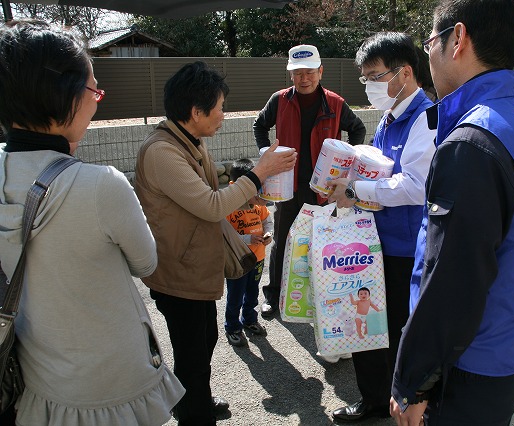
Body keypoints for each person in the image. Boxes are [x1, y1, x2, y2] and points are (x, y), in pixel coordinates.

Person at [0, 20, 185, 425]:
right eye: (93, 89)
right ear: (62, 92)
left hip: (39, 378)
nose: (98, 101)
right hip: (110, 381)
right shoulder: (100, 186)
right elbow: (146, 263)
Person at [390, 1, 514, 424]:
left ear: (458, 39)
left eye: (431, 41)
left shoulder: (472, 144)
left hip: (461, 373)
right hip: (505, 355)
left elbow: (451, 282)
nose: (428, 54)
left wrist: (412, 383)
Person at [134, 61, 296, 426]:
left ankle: (196, 399)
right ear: (196, 112)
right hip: (178, 274)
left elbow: (210, 196)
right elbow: (210, 205)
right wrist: (259, 174)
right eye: (220, 107)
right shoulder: (163, 151)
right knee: (193, 351)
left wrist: (257, 187)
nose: (224, 114)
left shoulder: (188, 140)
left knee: (202, 343)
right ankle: (194, 413)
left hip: (194, 269)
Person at [328, 32, 437, 422]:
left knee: (400, 331)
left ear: (404, 73)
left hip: (405, 249)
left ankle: (405, 402)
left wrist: (356, 190)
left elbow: (414, 185)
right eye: (365, 79)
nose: (370, 86)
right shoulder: (389, 118)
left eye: (375, 76)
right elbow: (376, 169)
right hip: (375, 243)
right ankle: (374, 399)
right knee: (368, 326)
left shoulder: (425, 118)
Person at [253, 44, 366, 319]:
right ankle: (273, 296)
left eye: (310, 73)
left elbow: (358, 129)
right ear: (290, 74)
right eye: (298, 73)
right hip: (287, 186)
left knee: (324, 243)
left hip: (323, 189)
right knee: (282, 241)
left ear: (320, 72)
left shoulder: (335, 103)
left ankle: (322, 296)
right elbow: (259, 124)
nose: (304, 79)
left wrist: (345, 167)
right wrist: (267, 155)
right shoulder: (279, 100)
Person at [224, 158, 273, 347]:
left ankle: (250, 320)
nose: (254, 192)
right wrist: (247, 239)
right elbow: (226, 236)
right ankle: (233, 327)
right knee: (235, 296)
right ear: (233, 185)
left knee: (252, 293)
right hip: (238, 260)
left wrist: (269, 234)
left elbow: (267, 222)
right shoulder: (227, 206)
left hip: (258, 258)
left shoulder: (258, 203)